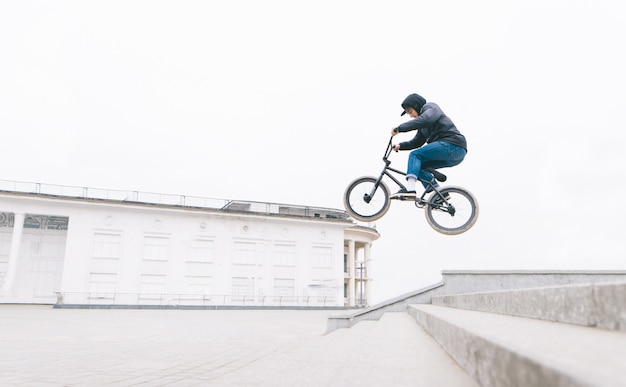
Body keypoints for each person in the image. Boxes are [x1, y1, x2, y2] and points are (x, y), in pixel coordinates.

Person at [390, 93, 467, 199]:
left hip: (453, 145)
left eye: (410, 112)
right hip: (454, 154)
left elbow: (426, 119)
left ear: (417, 106)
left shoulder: (431, 107)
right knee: (418, 166)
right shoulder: (423, 127)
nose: (411, 116)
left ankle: (410, 189)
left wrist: (400, 128)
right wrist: (400, 146)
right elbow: (416, 142)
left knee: (415, 155)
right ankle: (439, 194)